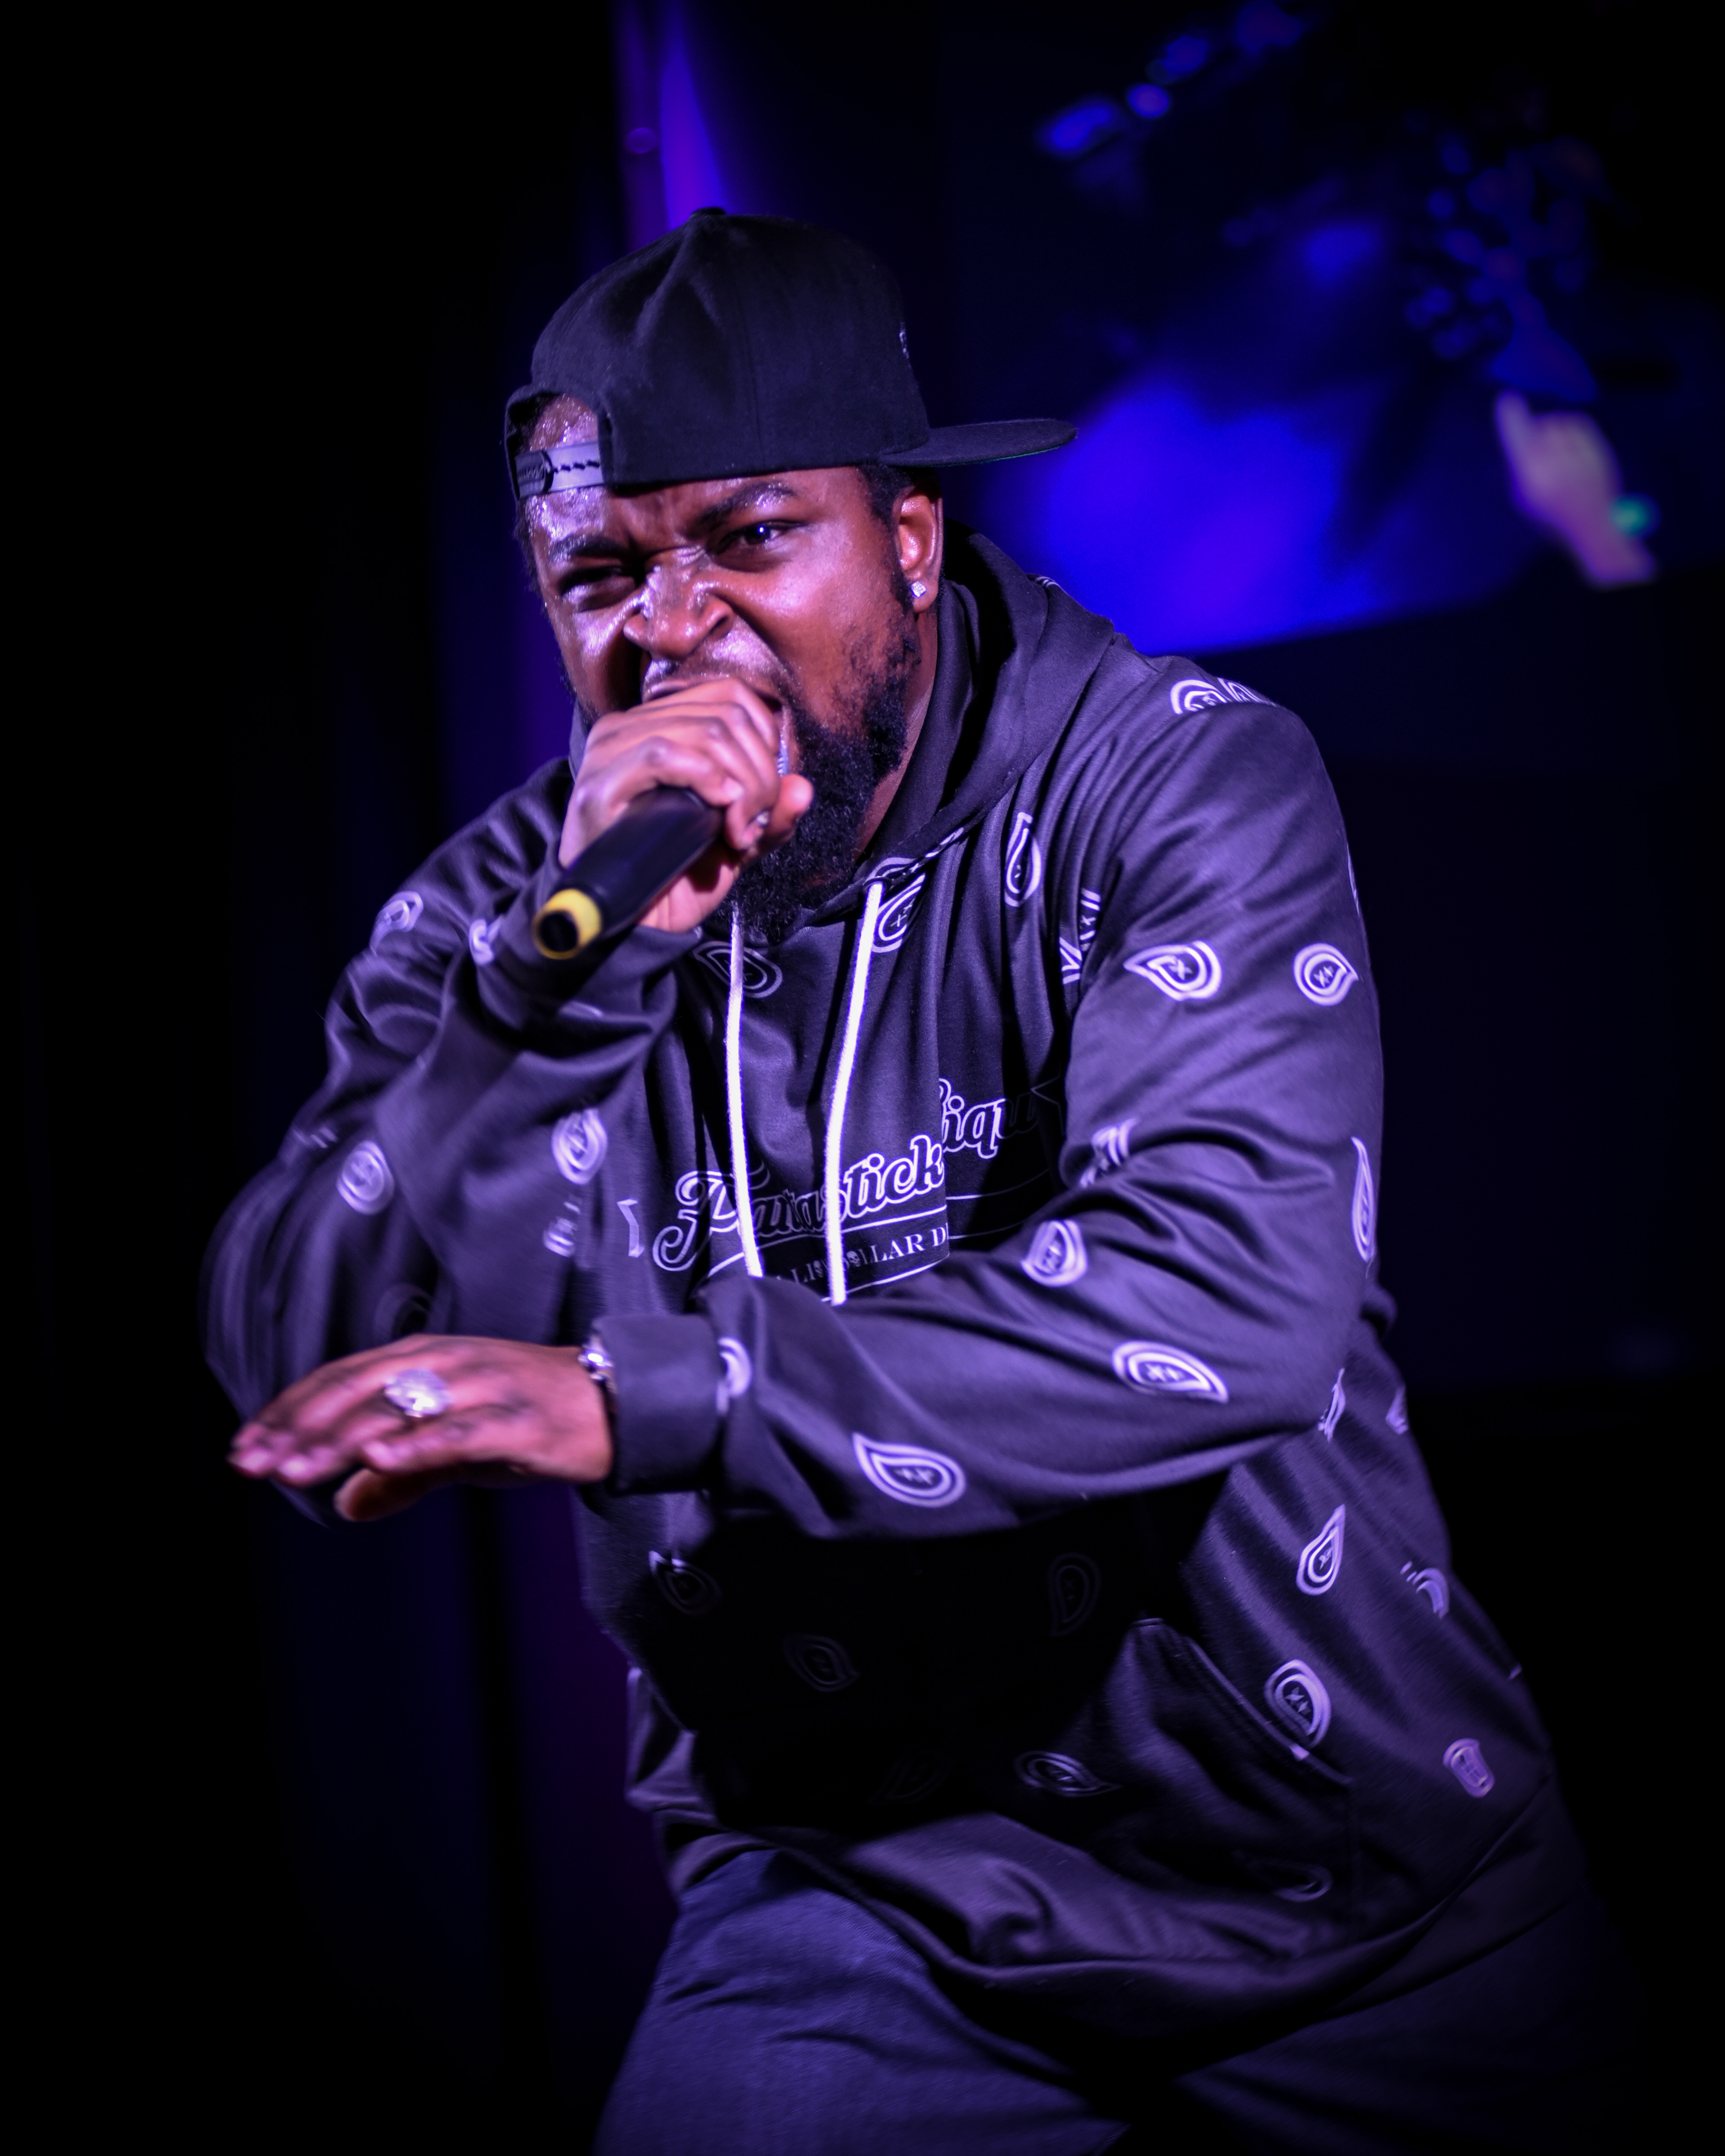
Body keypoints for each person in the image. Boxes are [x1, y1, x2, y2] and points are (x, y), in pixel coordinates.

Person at [211, 211, 1637, 2152]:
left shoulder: (1169, 780)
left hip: (1357, 1889)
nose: (673, 628)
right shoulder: (520, 915)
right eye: (603, 572)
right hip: (861, 1891)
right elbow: (303, 1348)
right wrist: (555, 999)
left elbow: (1227, 1301)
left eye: (749, 538)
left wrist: (648, 1394)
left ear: (907, 534)